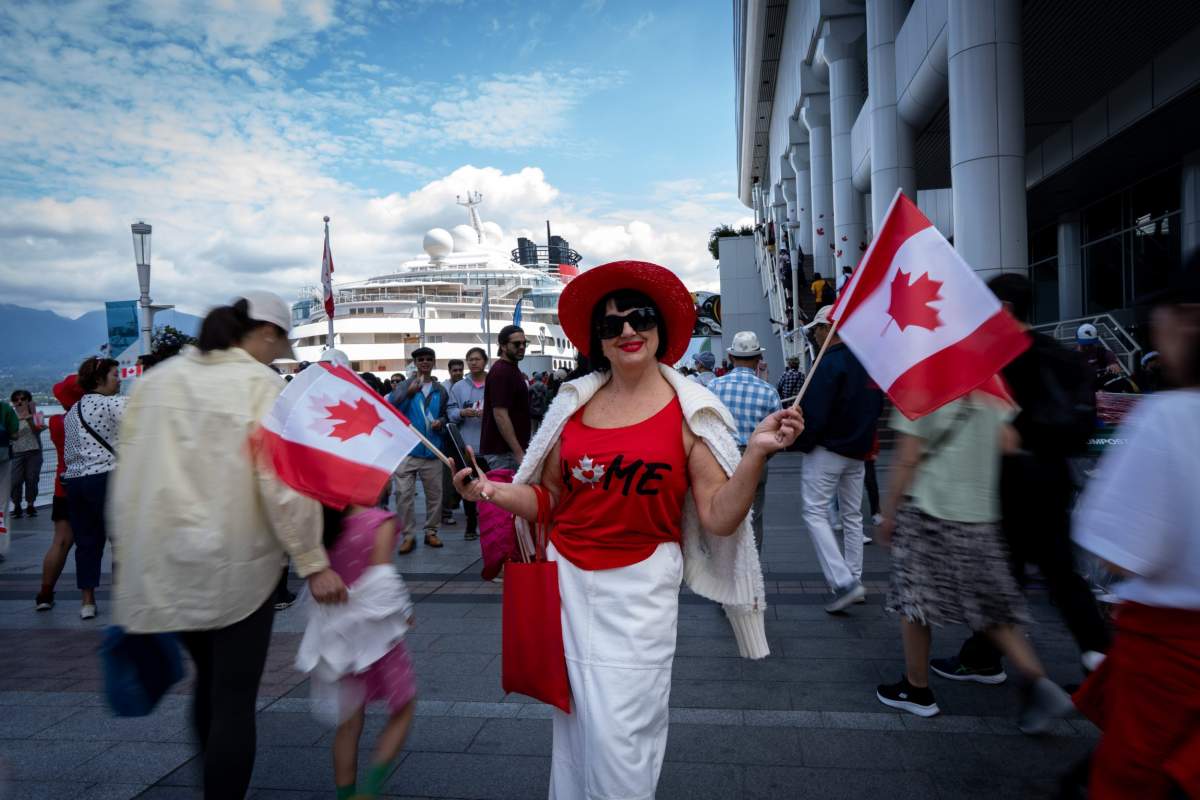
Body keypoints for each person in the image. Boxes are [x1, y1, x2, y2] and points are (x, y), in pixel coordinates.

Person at [452, 260, 802, 800]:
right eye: (611, 325)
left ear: (660, 329)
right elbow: (548, 498)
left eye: (639, 318)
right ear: (598, 340)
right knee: (575, 730)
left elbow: (719, 516)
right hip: (566, 581)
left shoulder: (693, 413)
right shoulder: (572, 406)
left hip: (641, 590)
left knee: (625, 736)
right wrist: (491, 492)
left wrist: (754, 454)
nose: (627, 331)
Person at [111, 292, 347, 800]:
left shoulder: (157, 381)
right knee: (234, 697)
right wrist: (311, 560)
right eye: (280, 343)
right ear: (266, 333)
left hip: (165, 562)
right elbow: (284, 485)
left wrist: (126, 560)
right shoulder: (262, 385)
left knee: (208, 682)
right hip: (236, 565)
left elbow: (126, 476)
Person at [933, 275, 1109, 683]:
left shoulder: (999, 359)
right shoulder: (1061, 355)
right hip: (1052, 477)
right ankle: (1094, 653)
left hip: (1009, 482)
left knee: (1005, 574)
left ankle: (992, 660)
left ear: (1005, 309)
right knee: (1052, 573)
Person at [1069, 272, 1200, 800]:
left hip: (1170, 661)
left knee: (1137, 779)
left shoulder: (1169, 418)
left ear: (1187, 320)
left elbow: (1117, 553)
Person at [875, 390, 1075, 731]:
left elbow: (907, 457)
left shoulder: (925, 385)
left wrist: (889, 511)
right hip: (980, 513)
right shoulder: (991, 385)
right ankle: (1038, 681)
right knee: (991, 606)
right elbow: (1008, 442)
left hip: (931, 509)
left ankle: (916, 688)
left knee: (915, 602)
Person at [305, 504, 417, 800]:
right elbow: (383, 583)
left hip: (338, 639)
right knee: (404, 707)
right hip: (378, 640)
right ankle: (368, 791)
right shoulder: (379, 521)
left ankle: (346, 796)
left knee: (349, 724)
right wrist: (405, 611)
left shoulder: (320, 523)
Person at [795, 305, 883, 612]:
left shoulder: (828, 363)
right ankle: (854, 576)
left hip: (827, 450)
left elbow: (814, 413)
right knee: (852, 516)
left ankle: (844, 582)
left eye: (817, 329)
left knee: (815, 513)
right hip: (857, 452)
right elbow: (876, 408)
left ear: (825, 329)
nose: (815, 336)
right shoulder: (867, 363)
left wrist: (802, 442)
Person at [61, 356, 125, 619]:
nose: (119, 379)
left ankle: (87, 601)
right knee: (121, 538)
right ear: (99, 379)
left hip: (75, 482)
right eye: (114, 375)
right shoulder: (111, 404)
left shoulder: (72, 412)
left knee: (87, 542)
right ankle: (123, 597)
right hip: (106, 478)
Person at [709, 331, 783, 553]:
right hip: (755, 457)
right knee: (753, 517)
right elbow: (777, 435)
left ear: (731, 357)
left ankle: (722, 569)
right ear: (758, 359)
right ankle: (750, 573)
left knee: (720, 513)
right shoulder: (768, 392)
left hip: (720, 456)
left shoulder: (714, 387)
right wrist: (762, 455)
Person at [388, 347, 448, 554]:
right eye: (421, 359)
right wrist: (408, 394)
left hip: (432, 450)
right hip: (407, 450)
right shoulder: (404, 385)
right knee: (403, 495)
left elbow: (445, 415)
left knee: (435, 495)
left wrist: (440, 421)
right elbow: (391, 410)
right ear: (414, 362)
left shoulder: (440, 389)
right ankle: (408, 535)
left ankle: (431, 531)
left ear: (433, 362)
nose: (425, 362)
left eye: (429, 359)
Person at [35, 375, 83, 611]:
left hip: (62, 487)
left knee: (61, 541)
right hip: (93, 485)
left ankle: (45, 593)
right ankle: (90, 599)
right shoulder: (91, 419)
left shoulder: (56, 423)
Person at [447, 347, 488, 540]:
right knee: (469, 487)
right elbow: (451, 414)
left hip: (490, 447)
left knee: (492, 487)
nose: (473, 363)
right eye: (470, 359)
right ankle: (471, 525)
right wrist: (462, 413)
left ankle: (490, 524)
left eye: (477, 359)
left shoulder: (494, 383)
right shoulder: (458, 387)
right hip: (467, 447)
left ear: (485, 361)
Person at [479, 325, 531, 472]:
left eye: (524, 343)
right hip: (504, 453)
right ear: (503, 346)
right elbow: (500, 414)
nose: (521, 347)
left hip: (508, 452)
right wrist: (518, 452)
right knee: (507, 493)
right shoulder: (501, 372)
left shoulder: (511, 369)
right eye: (516, 344)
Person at [8, 390, 46, 519]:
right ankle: (17, 505)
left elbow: (37, 431)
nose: (19, 402)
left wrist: (30, 418)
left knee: (32, 479)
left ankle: (30, 505)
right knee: (15, 481)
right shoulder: (10, 417)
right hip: (16, 453)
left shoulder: (37, 415)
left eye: (23, 399)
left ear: (28, 401)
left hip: (34, 452)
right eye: (16, 400)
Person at [1077, 323, 1121, 390]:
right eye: (1084, 344)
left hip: (1100, 388)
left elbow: (1113, 363)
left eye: (1090, 344)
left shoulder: (1103, 353)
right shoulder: (1071, 355)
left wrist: (1113, 365)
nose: (1087, 347)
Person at [0, 396, 17, 558]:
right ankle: (0, 547)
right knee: (2, 504)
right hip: (3, 459)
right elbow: (15, 434)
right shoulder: (5, 408)